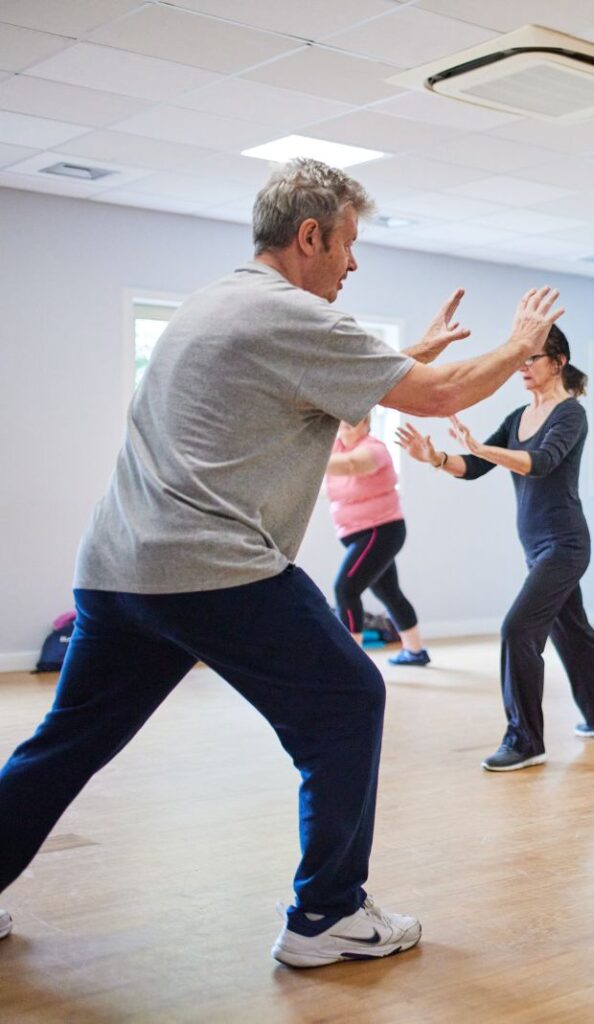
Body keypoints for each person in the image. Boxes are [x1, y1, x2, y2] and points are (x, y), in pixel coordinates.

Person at [0, 158, 564, 967]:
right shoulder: (294, 315)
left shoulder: (215, 303)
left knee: (70, 738)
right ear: (309, 237)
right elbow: (438, 397)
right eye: (348, 244)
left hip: (117, 566)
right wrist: (519, 346)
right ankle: (327, 913)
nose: (353, 263)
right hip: (210, 565)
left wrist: (411, 357)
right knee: (348, 700)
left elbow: (325, 382)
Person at [397, 326, 594, 773]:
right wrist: (438, 458)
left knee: (518, 629)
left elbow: (540, 463)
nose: (522, 366)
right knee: (572, 631)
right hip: (537, 546)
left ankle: (525, 741)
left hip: (564, 544)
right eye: (521, 359)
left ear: (558, 362)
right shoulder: (519, 416)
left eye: (532, 358)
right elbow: (474, 467)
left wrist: (481, 448)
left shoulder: (570, 415)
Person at [326, 414, 429, 666]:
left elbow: (352, 465)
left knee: (345, 589)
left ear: (366, 424)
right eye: (343, 416)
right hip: (359, 534)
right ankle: (415, 651)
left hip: (381, 531)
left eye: (355, 417)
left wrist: (311, 458)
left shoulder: (375, 449)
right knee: (389, 593)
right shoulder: (334, 447)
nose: (347, 420)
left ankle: (351, 663)